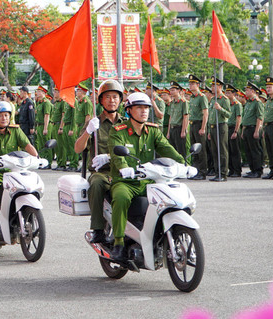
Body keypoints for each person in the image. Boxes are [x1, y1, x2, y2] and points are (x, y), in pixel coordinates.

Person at [107, 93, 185, 261]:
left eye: (147, 108)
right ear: (129, 110)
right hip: (126, 181)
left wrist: (183, 164)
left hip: (149, 180)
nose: (144, 111)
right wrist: (124, 168)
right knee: (120, 198)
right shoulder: (118, 131)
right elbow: (117, 154)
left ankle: (161, 235)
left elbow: (167, 148)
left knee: (167, 198)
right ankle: (118, 243)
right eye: (139, 107)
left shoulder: (153, 131)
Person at [73, 79, 125, 244]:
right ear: (101, 100)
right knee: (96, 184)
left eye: (115, 97)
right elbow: (78, 148)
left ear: (120, 100)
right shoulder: (94, 123)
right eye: (108, 97)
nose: (112, 100)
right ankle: (97, 229)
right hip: (102, 173)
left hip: (123, 171)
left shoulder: (126, 123)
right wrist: (88, 132)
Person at [0, 101, 38, 239]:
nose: (4, 118)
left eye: (6, 115)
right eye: (0, 116)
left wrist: (37, 157)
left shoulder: (16, 130)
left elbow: (27, 145)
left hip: (13, 171)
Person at [206, 78, 231, 181]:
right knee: (215, 151)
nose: (212, 87)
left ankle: (223, 173)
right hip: (213, 127)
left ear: (220, 87)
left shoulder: (224, 99)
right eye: (211, 86)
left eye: (214, 85)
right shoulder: (212, 99)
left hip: (221, 126)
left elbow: (228, 114)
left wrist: (220, 108)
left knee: (222, 151)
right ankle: (217, 172)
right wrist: (208, 130)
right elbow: (210, 116)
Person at [241, 82, 266, 178]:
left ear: (253, 91)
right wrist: (243, 131)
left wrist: (256, 131)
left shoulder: (257, 102)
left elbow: (260, 117)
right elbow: (245, 118)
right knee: (248, 151)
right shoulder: (248, 102)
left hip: (253, 128)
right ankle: (252, 169)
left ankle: (258, 170)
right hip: (247, 128)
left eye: (247, 90)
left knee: (255, 150)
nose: (245, 92)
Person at [187, 75, 209, 179]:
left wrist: (203, 128)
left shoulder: (202, 97)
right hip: (192, 124)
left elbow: (205, 113)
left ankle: (203, 171)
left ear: (198, 85)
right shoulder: (192, 98)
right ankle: (195, 171)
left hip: (199, 124)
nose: (190, 86)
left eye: (192, 84)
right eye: (190, 84)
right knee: (194, 150)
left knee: (201, 150)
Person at [167, 82, 190, 157]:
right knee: (173, 151)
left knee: (181, 151)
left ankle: (183, 166)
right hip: (172, 128)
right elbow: (170, 117)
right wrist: (168, 132)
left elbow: (185, 117)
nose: (171, 92)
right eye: (171, 90)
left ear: (178, 91)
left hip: (179, 128)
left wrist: (183, 131)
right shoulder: (172, 103)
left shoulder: (183, 102)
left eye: (173, 90)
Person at [225, 84, 244, 177]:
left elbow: (238, 118)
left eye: (228, 93)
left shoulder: (237, 104)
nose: (227, 95)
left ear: (233, 94)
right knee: (228, 150)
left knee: (235, 151)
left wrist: (236, 131)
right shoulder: (227, 104)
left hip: (233, 128)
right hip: (227, 128)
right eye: (226, 93)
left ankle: (237, 170)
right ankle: (231, 169)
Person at [34, 85, 53, 155]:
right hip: (39, 125)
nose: (37, 93)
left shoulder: (46, 103)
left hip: (45, 125)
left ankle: (48, 161)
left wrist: (45, 128)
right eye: (37, 91)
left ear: (43, 93)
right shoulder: (40, 103)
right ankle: (43, 160)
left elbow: (47, 115)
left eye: (39, 91)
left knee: (46, 143)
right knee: (40, 145)